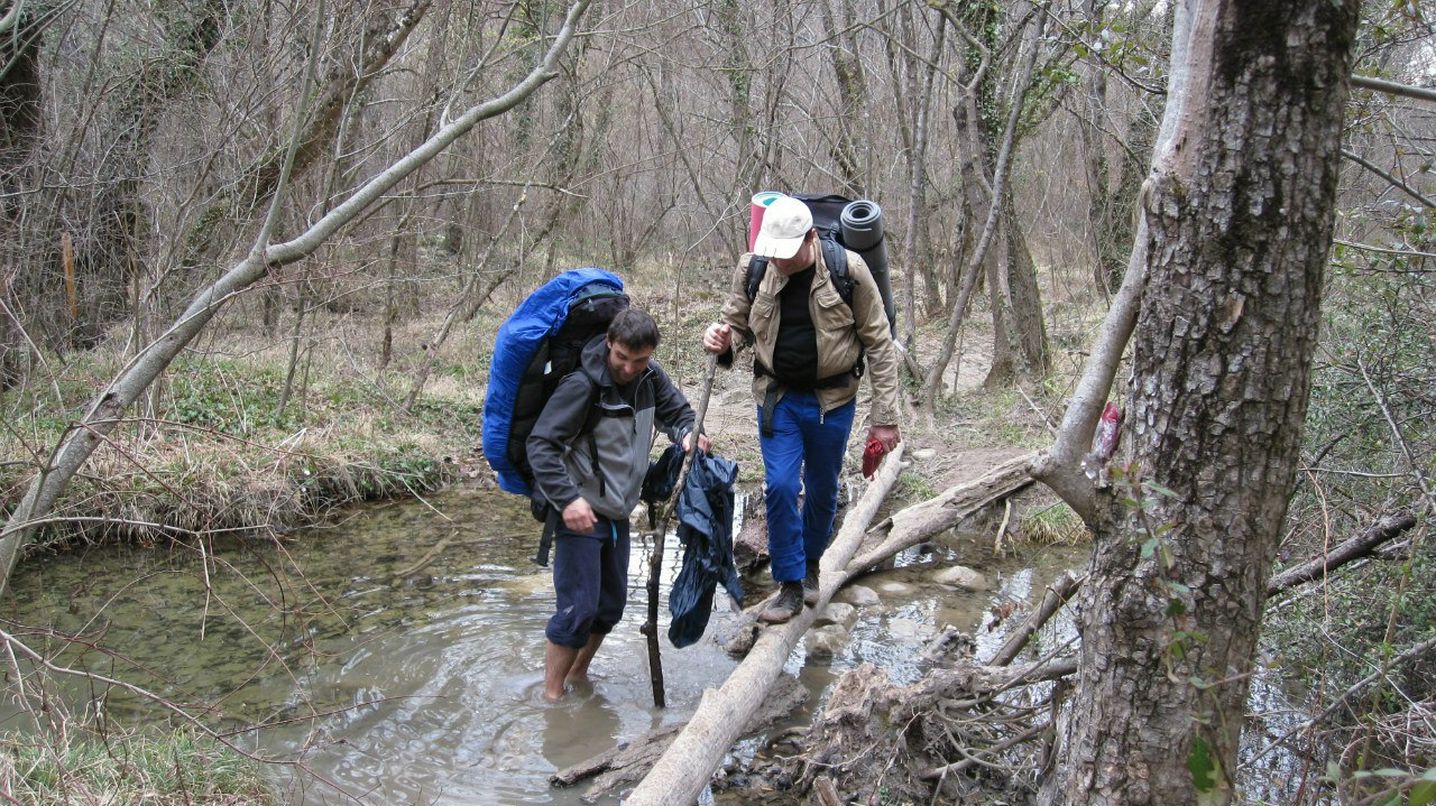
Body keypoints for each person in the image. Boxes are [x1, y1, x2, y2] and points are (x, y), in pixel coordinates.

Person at [702, 194, 901, 624]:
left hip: (834, 400)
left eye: (787, 255)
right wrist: (721, 341)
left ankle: (811, 563)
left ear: (810, 238)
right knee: (779, 486)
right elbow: (735, 324)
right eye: (772, 254)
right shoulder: (754, 267)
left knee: (824, 488)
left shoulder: (849, 270)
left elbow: (880, 345)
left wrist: (885, 418)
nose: (779, 263)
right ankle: (790, 585)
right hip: (779, 399)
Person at [528, 306, 708, 702]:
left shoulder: (650, 378)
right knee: (577, 610)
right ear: (609, 343)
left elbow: (679, 413)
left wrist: (688, 435)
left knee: (609, 608)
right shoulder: (581, 386)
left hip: (617, 511)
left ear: (650, 356)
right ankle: (551, 700)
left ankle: (578, 676)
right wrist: (568, 499)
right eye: (621, 358)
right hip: (578, 510)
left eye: (639, 360)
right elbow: (540, 445)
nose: (628, 369)